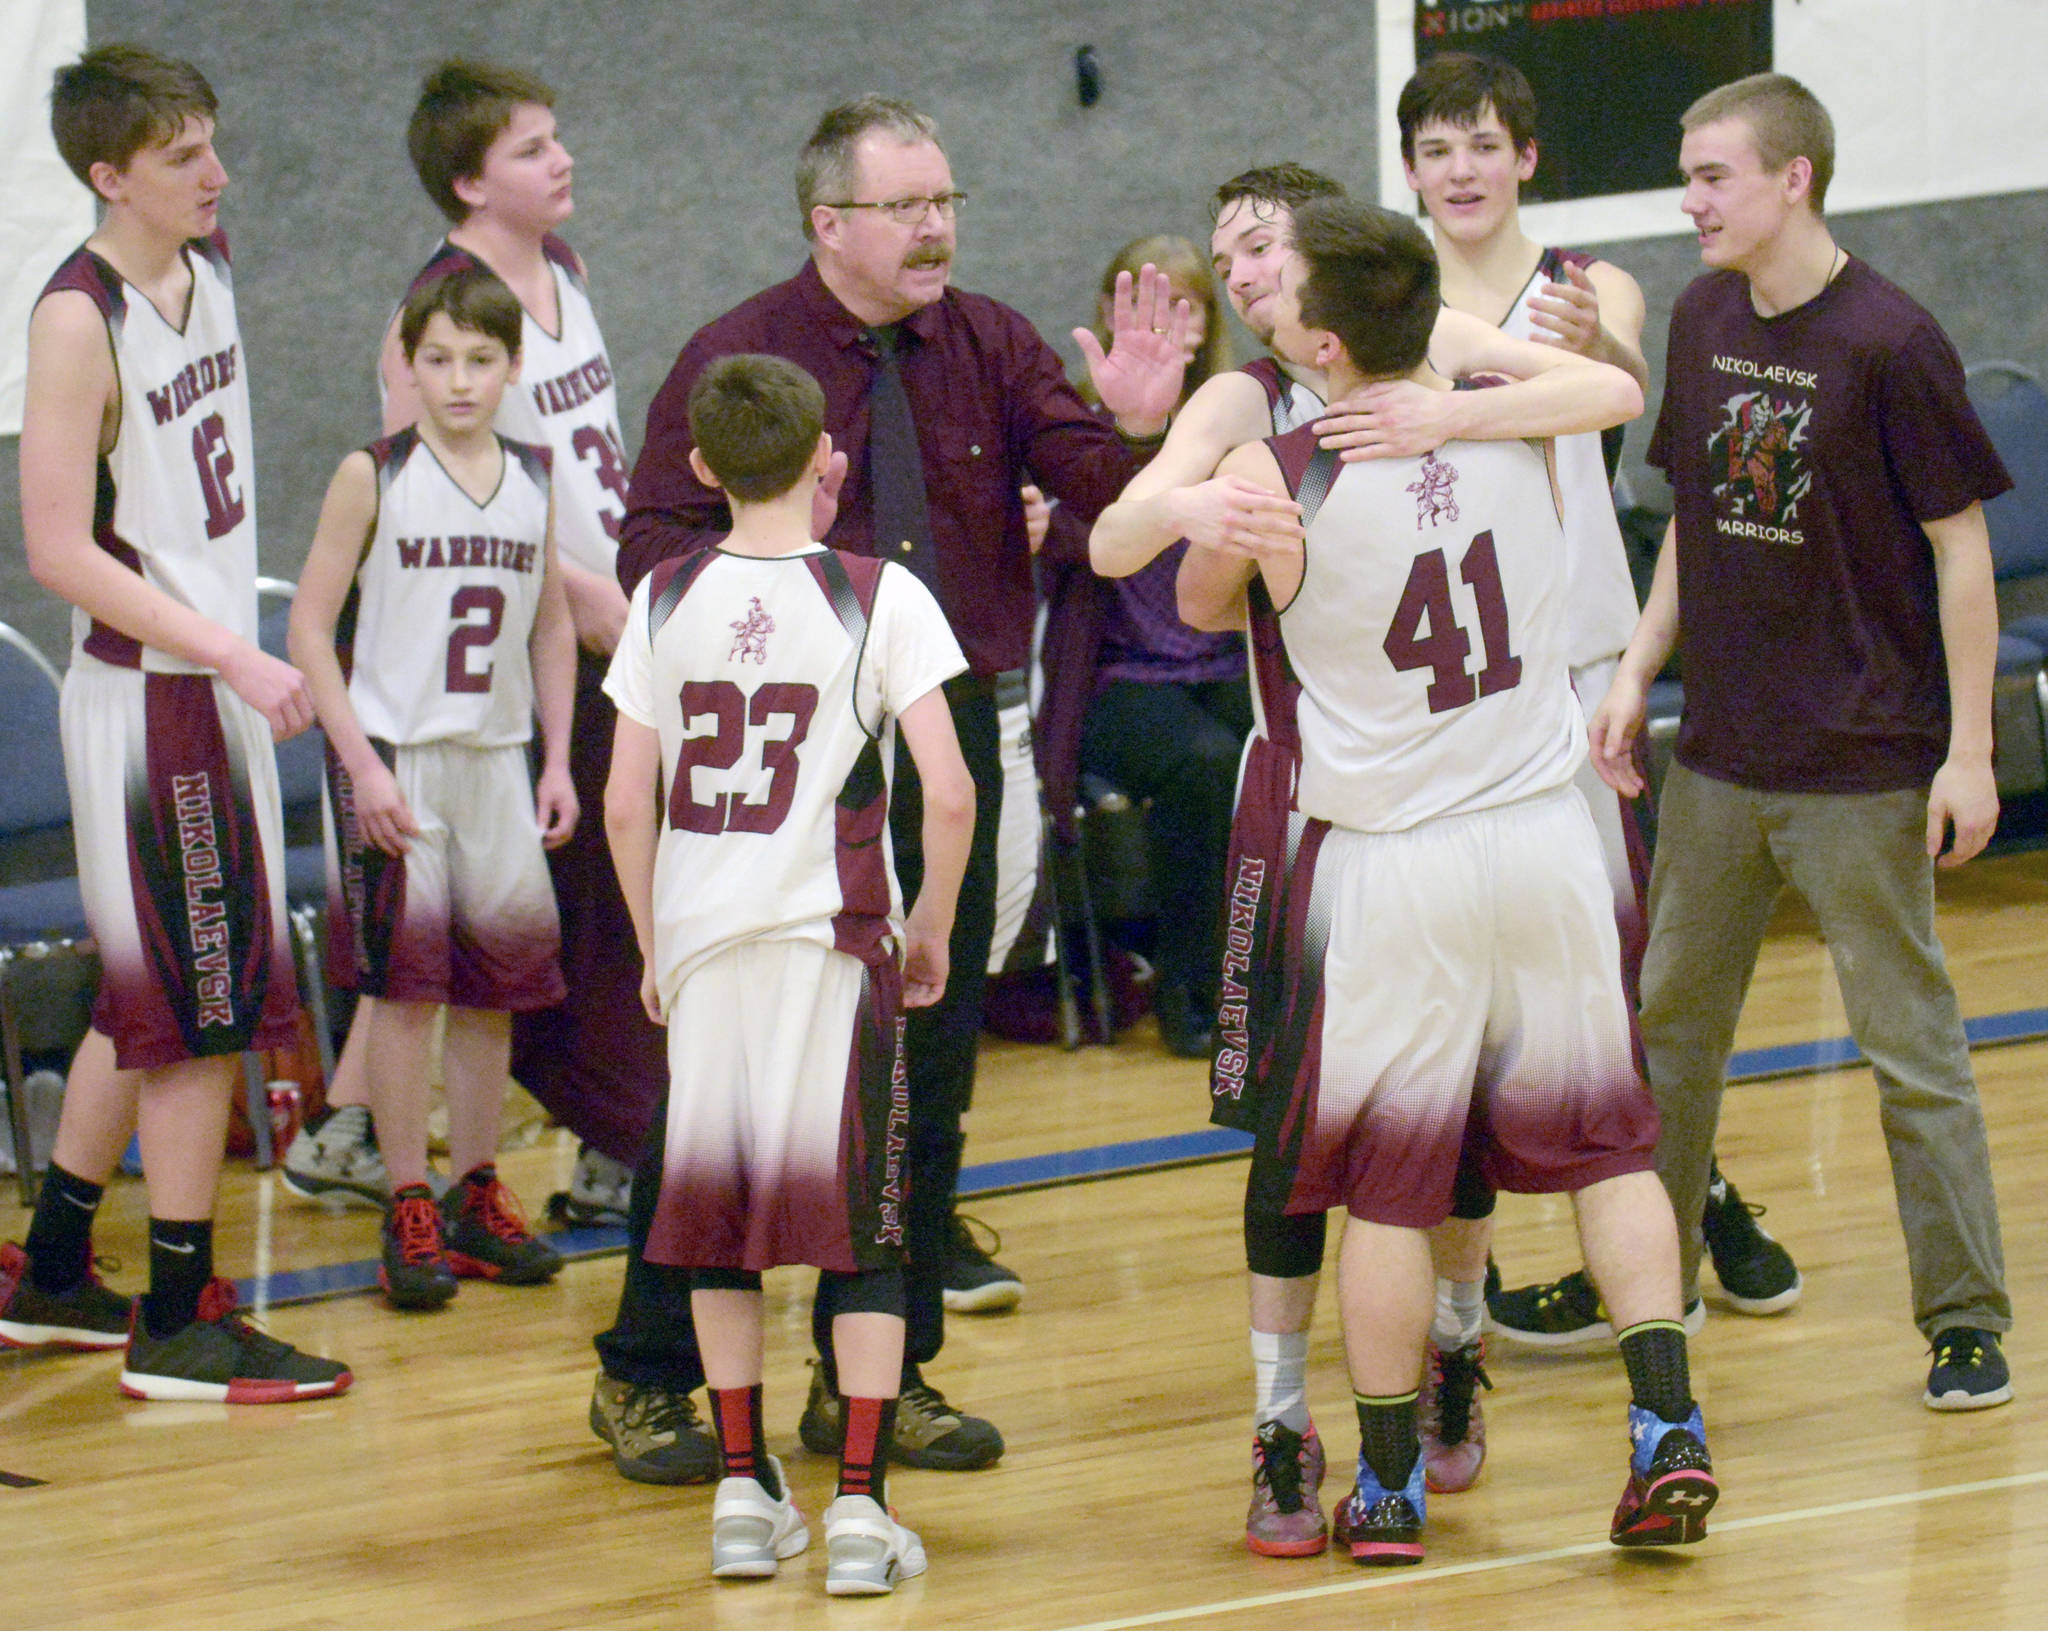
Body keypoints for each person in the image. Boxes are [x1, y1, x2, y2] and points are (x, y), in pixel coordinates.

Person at [609, 94, 1191, 1472]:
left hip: (947, 750)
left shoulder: (989, 339)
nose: (935, 227)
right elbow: (648, 553)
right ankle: (643, 1370)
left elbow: (1098, 492)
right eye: (906, 205)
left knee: (925, 1073)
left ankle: (876, 1377)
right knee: (730, 1094)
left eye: (947, 201)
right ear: (830, 224)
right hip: (786, 772)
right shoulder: (739, 354)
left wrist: (1147, 431)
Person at [1088, 163, 1644, 1555]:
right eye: (1227, 251)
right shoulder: (1236, 408)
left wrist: (1468, 405)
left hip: (1430, 788)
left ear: (1327, 271)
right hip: (1311, 801)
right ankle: (1285, 1419)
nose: (1248, 267)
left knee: (1444, 1129)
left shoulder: (1434, 343)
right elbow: (1113, 539)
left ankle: (1451, 1346)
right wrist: (1170, 476)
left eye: (1267, 241)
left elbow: (1610, 387)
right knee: (1292, 1138)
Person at [1590, 72, 2015, 1410]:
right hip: (1719, 755)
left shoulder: (1893, 340)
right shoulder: (1710, 313)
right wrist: (1636, 672)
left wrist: (1970, 751)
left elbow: (1962, 555)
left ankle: (1963, 1316)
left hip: (1864, 764)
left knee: (1912, 1052)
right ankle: (1646, 1296)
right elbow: (1691, 528)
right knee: (1669, 1037)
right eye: (1687, 171)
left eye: (1713, 174)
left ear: (1795, 180)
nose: (1690, 199)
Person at [1394, 51, 1802, 1365]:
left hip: (1571, 683)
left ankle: (1687, 1207)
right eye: (1436, 147)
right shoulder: (1389, 305)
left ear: (1525, 157)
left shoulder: (1589, 286)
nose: (1461, 166)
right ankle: (1484, 1263)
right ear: (1409, 172)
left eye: (1483, 142)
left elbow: (1626, 370)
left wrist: (1598, 350)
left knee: (1610, 989)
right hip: (1442, 699)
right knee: (1478, 1002)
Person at [0, 44, 350, 1401]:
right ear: (107, 177)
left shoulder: (204, 276)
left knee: (147, 986)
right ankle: (182, 1315)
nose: (216, 171)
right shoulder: (77, 317)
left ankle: (59, 1266)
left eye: (213, 139)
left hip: (207, 681)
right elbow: (53, 549)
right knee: (209, 1005)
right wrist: (231, 650)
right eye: (181, 155)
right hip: (155, 697)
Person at [605, 353, 974, 1594]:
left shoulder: (658, 595)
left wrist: (657, 948)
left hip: (708, 954)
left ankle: (739, 1490)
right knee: (862, 1220)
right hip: (832, 946)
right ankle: (860, 1508)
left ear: (702, 468)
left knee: (719, 1218)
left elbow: (622, 805)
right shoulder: (880, 593)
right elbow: (954, 787)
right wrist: (928, 920)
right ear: (828, 454)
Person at [289, 264, 577, 1311]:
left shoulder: (538, 478)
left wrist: (554, 758)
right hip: (400, 758)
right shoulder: (371, 473)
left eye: (481, 359)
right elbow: (309, 626)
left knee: (492, 989)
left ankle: (474, 1191)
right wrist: (359, 761)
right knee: (406, 993)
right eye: (439, 358)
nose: (459, 380)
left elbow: (550, 624)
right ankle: (405, 1195)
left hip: (496, 757)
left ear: (510, 367)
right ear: (405, 365)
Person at [1034, 234, 1247, 1059]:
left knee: (1296, 742)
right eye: (1145, 303)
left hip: (1225, 657)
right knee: (1204, 765)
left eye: (1184, 303)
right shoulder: (1079, 429)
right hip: (1122, 676)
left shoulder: (1235, 416)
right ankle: (1191, 987)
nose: (1167, 322)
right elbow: (1057, 547)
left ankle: (1289, 971)